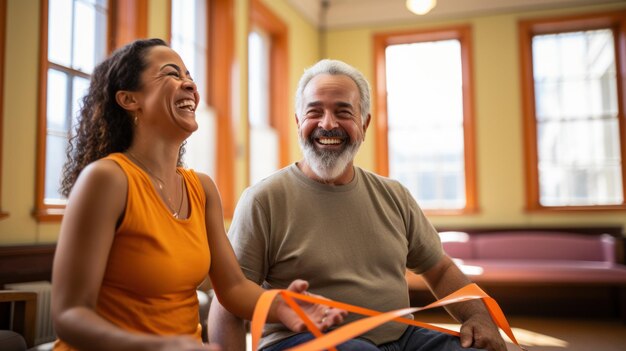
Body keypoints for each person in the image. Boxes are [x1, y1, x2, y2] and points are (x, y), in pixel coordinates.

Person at [51, 38, 345, 351]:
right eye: (171, 74)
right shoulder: (107, 179)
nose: (189, 84)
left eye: (189, 75)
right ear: (128, 99)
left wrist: (282, 305)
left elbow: (232, 288)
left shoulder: (201, 187)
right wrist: (159, 347)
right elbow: (70, 315)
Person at [208, 59, 507, 351]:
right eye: (315, 112)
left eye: (343, 112)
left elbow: (439, 270)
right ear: (299, 122)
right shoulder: (262, 200)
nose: (327, 124)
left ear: (364, 124)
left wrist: (478, 316)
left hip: (403, 339)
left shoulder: (395, 195)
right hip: (301, 341)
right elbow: (228, 301)